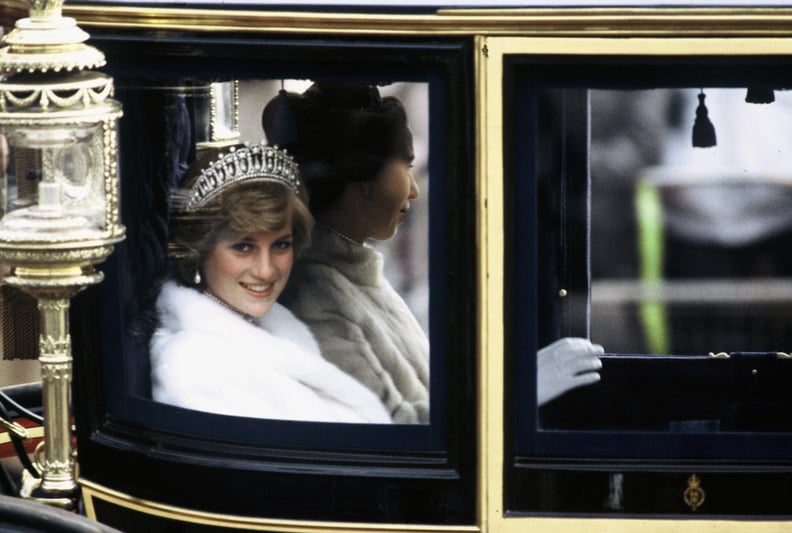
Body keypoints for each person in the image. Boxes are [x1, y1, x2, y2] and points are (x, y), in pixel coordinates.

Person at [264, 82, 602, 423]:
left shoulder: (351, 278)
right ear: (363, 182)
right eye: (406, 168)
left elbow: (421, 393)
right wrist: (514, 393)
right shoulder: (317, 296)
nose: (413, 191)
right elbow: (389, 433)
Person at [148, 141, 392, 423]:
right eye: (243, 247)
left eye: (280, 245)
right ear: (200, 249)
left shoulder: (278, 326)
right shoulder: (190, 364)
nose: (265, 271)